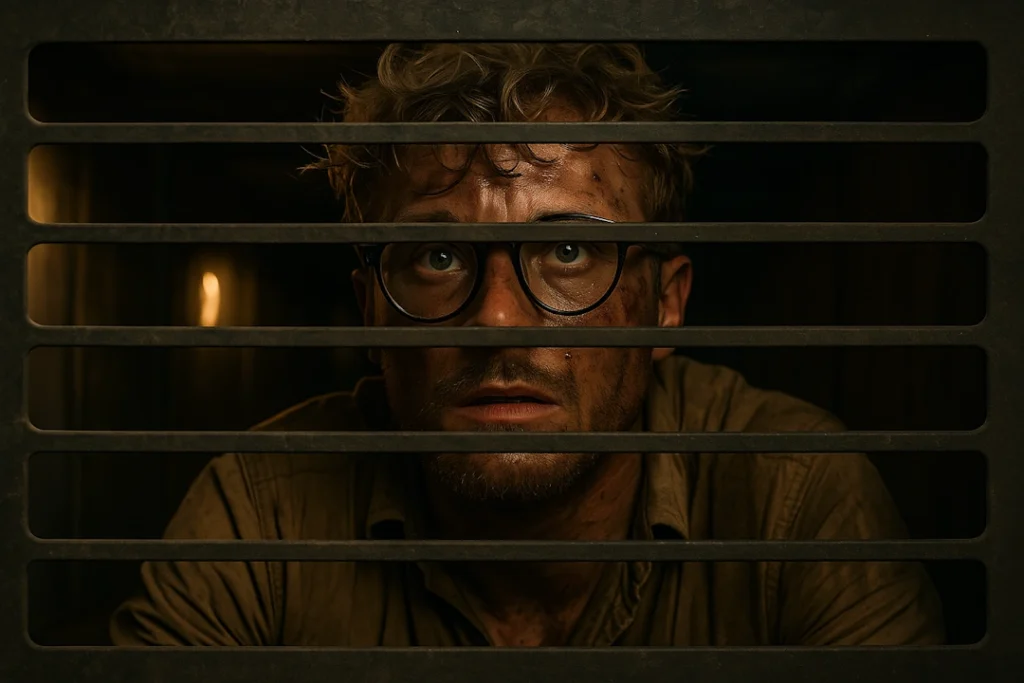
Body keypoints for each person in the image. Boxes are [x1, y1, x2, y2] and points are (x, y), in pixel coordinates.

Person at [111, 43, 944, 647]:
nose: (499, 320)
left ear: (667, 304)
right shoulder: (262, 514)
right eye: (439, 257)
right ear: (371, 314)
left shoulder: (796, 502)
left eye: (569, 251)